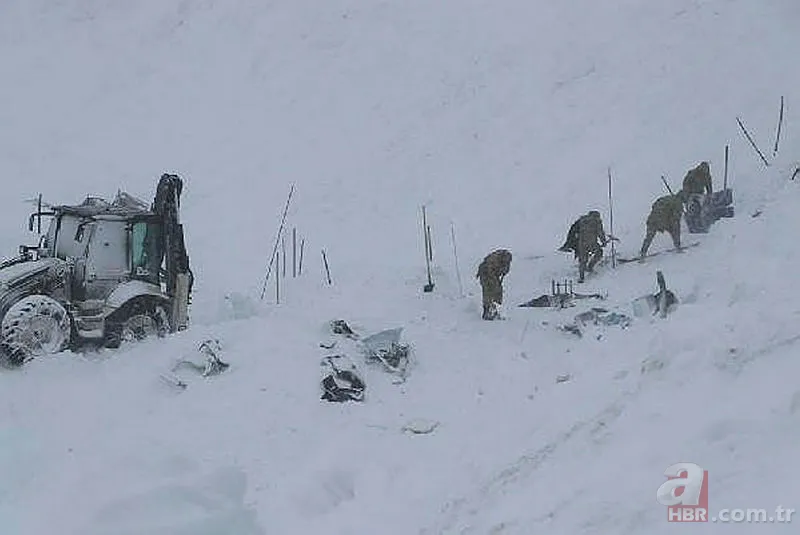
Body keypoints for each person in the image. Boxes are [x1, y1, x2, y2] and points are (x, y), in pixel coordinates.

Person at [559, 211, 608, 283]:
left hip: (581, 244)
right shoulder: (596, 221)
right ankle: (590, 267)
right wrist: (603, 242)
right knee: (599, 253)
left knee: (583, 260)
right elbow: (600, 232)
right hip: (592, 243)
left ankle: (581, 277)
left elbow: (573, 231)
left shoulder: (581, 220)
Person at [476, 249, 512, 320]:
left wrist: (499, 281)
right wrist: (495, 284)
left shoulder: (507, 261)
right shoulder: (493, 260)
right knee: (488, 292)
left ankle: (496, 309)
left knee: (498, 291)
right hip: (485, 273)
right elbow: (490, 273)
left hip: (494, 274)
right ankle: (487, 311)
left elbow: (505, 271)